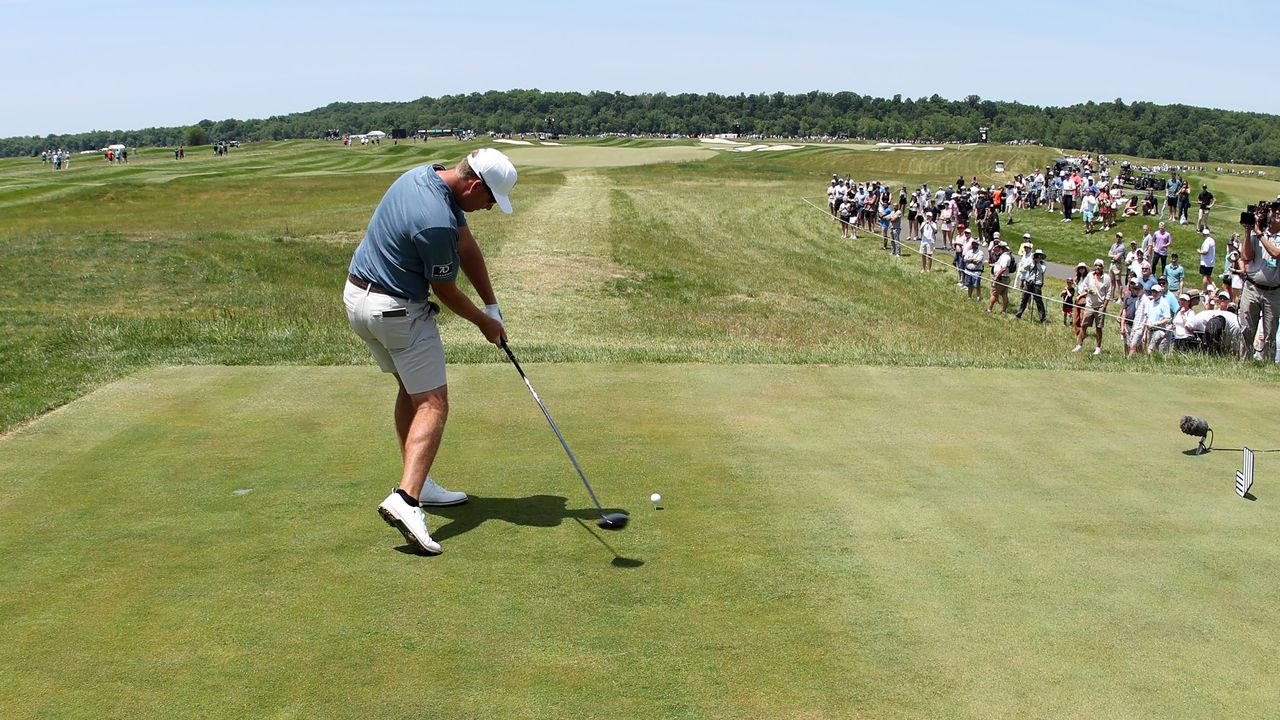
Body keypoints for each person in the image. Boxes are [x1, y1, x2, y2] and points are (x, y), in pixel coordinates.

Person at [344, 148, 516, 555]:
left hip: (359, 300)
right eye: (490, 200)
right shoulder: (436, 222)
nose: (488, 208)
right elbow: (445, 290)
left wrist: (493, 305)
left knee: (411, 390)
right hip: (396, 309)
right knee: (433, 403)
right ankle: (406, 500)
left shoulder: (429, 178)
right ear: (474, 185)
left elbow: (468, 246)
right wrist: (485, 324)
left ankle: (419, 482)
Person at [1238, 206, 1280, 360]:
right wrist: (1248, 232)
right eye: (1274, 210)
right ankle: (1244, 362)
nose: (1277, 213)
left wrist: (1259, 233)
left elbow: (1276, 254)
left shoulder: (1261, 234)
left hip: (1274, 291)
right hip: (1252, 287)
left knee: (1270, 332)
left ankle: (1268, 364)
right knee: (1247, 328)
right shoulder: (1257, 233)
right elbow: (1247, 256)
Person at [1074, 259, 1113, 355]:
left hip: (1100, 306)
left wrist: (1104, 307)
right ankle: (1079, 345)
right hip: (1090, 304)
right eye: (1096, 265)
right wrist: (1089, 290)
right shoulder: (1090, 275)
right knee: (1084, 325)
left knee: (1098, 327)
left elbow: (1109, 294)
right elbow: (1085, 286)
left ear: (1102, 267)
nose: (1097, 267)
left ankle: (1098, 348)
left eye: (1099, 266)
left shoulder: (1106, 278)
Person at [1015, 249, 1047, 322]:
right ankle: (1018, 315)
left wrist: (1038, 262)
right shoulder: (1031, 262)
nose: (1038, 257)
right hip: (1029, 282)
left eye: (1040, 256)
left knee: (1039, 301)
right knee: (1024, 299)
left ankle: (1043, 319)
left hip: (1037, 284)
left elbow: (1042, 271)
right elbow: (1024, 268)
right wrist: (1031, 263)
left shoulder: (1043, 264)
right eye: (1037, 255)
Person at [1145, 281, 1174, 354]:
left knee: (1150, 349)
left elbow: (1168, 319)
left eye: (1156, 292)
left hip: (1159, 330)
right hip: (1150, 330)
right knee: (1154, 350)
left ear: (1160, 292)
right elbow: (1147, 317)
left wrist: (1156, 323)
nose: (1154, 294)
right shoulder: (1150, 303)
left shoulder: (1164, 303)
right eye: (1153, 292)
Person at [987, 243, 1013, 314]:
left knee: (994, 294)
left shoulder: (1005, 257)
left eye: (1000, 248)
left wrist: (996, 276)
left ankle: (989, 309)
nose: (999, 249)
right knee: (1004, 295)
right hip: (1005, 278)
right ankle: (1004, 311)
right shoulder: (1006, 256)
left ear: (1002, 248)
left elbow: (1003, 268)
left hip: (1001, 278)